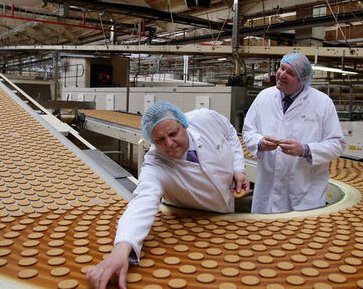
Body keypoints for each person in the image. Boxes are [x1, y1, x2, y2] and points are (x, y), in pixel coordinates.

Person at [86, 101, 250, 289]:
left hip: (228, 213)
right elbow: (143, 202)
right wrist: (121, 250)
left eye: (173, 134)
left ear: (184, 124)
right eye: (160, 140)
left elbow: (229, 133)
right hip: (195, 226)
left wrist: (239, 169)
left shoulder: (205, 119)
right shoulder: (156, 164)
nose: (170, 144)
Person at [242, 52, 345, 214]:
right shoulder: (264, 97)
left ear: (302, 80)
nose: (282, 74)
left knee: (300, 237)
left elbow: (337, 144)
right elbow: (248, 131)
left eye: (290, 73)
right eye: (282, 68)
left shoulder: (322, 103)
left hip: (304, 193)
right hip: (267, 193)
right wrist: (260, 143)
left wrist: (305, 150)